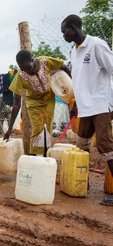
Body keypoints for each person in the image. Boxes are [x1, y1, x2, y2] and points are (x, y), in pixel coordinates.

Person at [61, 14, 113, 206]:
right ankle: (82, 182)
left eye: (65, 31)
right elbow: (79, 79)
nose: (63, 35)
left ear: (74, 27)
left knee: (105, 146)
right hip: (85, 107)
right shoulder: (74, 52)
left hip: (100, 105)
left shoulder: (96, 45)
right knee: (81, 144)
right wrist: (76, 104)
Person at [3, 50, 71, 155]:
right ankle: (34, 156)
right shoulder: (21, 76)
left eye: (28, 67)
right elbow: (17, 104)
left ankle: (44, 155)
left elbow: (63, 66)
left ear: (32, 60)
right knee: (38, 129)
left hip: (49, 99)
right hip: (34, 103)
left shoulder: (45, 61)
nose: (26, 71)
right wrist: (10, 128)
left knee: (47, 128)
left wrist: (72, 81)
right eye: (23, 69)